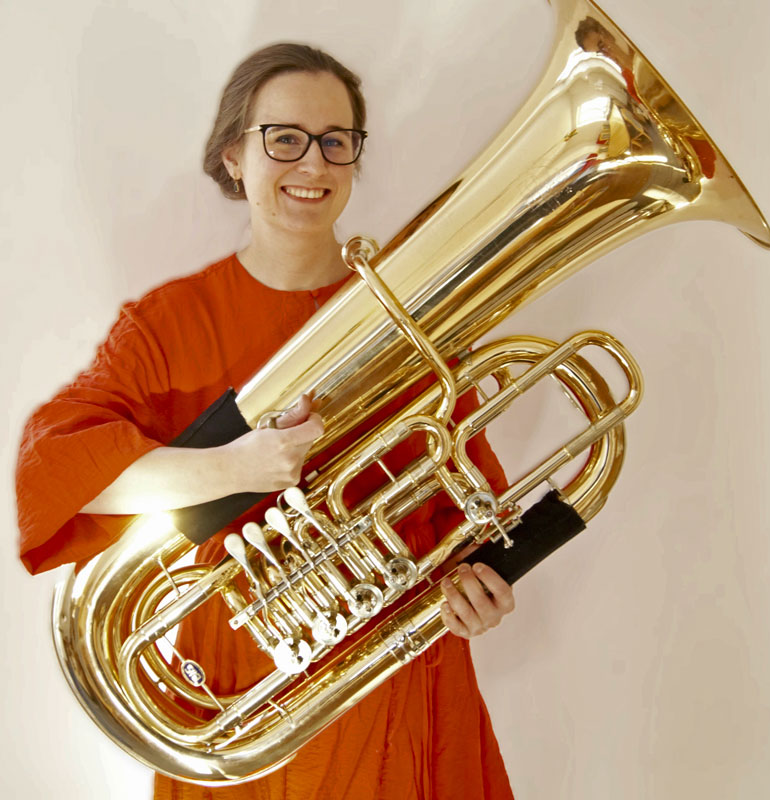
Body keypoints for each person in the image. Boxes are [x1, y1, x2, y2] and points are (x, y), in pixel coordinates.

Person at [16, 43, 516, 799]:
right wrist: (238, 467)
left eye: (335, 142)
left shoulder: (412, 317)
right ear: (233, 157)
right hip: (244, 690)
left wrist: (481, 586)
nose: (312, 165)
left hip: (399, 677)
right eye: (283, 138)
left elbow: (468, 506)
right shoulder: (165, 326)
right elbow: (50, 474)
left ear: (353, 159)